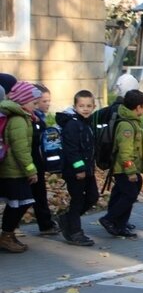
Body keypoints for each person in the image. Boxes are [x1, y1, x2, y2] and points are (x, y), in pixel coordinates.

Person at [98, 90, 143, 239]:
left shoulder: (131, 121)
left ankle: (120, 224)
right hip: (124, 169)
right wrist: (130, 171)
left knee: (121, 193)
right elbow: (125, 152)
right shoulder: (126, 126)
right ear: (138, 107)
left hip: (126, 168)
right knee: (129, 194)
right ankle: (109, 219)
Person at [0, 82, 42, 253]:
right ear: (23, 101)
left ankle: (8, 234)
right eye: (34, 103)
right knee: (20, 203)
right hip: (14, 170)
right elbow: (20, 149)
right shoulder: (18, 120)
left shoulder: (23, 117)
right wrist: (31, 169)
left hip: (14, 169)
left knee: (18, 204)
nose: (37, 106)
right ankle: (6, 236)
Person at [55, 90, 99, 246]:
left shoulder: (87, 123)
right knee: (78, 200)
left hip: (88, 170)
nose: (85, 109)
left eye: (88, 106)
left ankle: (67, 219)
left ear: (94, 106)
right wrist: (79, 169)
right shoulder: (73, 125)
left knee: (93, 196)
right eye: (81, 106)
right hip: (75, 171)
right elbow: (72, 150)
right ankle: (75, 233)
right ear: (75, 106)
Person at [26, 83, 60, 236]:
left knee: (37, 194)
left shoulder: (40, 119)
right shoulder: (32, 120)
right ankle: (45, 224)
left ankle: (46, 224)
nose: (47, 104)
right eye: (44, 101)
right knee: (33, 195)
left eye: (49, 100)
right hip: (30, 164)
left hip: (36, 163)